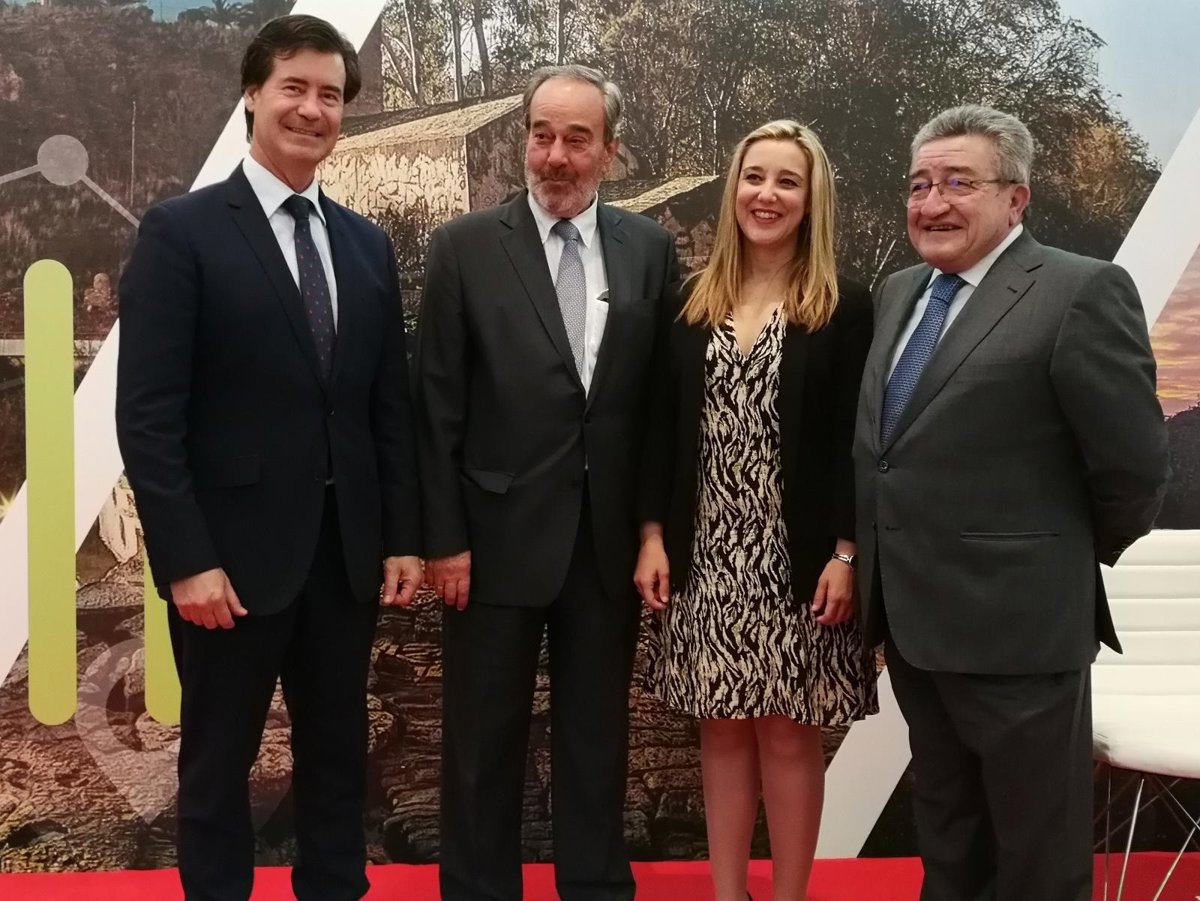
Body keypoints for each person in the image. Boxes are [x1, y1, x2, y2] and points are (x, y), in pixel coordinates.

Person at [115, 15, 422, 901]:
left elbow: (386, 407)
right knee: (218, 766)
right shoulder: (182, 232)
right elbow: (149, 417)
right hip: (229, 566)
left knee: (338, 759)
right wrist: (187, 560)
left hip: (344, 557)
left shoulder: (364, 243)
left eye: (330, 95)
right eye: (294, 87)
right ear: (253, 94)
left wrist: (401, 536)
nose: (312, 109)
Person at [853, 104, 1170, 901]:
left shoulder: (1078, 290)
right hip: (916, 626)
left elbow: (1133, 469)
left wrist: (1048, 559)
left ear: (1016, 198)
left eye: (959, 183)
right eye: (919, 184)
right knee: (949, 838)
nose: (933, 202)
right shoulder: (899, 293)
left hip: (1023, 629)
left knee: (1036, 857)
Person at [413, 64, 680, 901]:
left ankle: (595, 884)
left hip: (604, 544)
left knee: (596, 735)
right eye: (541, 134)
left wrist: (652, 530)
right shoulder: (462, 247)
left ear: (610, 150)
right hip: (490, 543)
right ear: (523, 140)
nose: (556, 155)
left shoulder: (649, 250)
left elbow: (661, 408)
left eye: (576, 138)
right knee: (481, 738)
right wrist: (444, 539)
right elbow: (436, 408)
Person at [635, 120, 877, 901]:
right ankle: (728, 892)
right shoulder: (688, 303)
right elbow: (659, 431)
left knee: (789, 734)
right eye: (754, 176)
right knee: (721, 730)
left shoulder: (843, 305)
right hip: (706, 554)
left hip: (798, 561)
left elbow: (856, 441)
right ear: (733, 187)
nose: (766, 194)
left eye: (787, 181)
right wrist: (651, 536)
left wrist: (846, 552)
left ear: (812, 200)